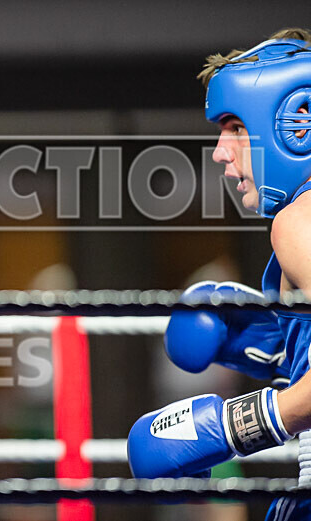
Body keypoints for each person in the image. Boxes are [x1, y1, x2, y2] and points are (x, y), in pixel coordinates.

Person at [125, 29, 311, 519]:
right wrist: (277, 346)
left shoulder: (299, 221)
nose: (220, 151)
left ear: (297, 120)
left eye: (233, 126)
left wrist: (233, 428)